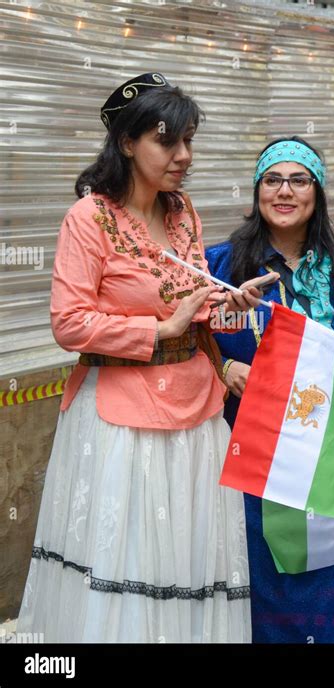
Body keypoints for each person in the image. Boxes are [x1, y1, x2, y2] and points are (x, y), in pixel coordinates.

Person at [15, 72, 264, 643]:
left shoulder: (184, 214)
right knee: (129, 559)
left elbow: (194, 311)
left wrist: (227, 305)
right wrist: (157, 329)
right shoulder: (89, 219)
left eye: (189, 141)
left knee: (189, 558)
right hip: (121, 420)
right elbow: (69, 322)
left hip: (198, 411)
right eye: (166, 141)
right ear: (127, 142)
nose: (184, 156)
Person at [205, 136, 334, 643]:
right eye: (272, 179)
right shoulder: (220, 266)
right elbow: (189, 346)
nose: (285, 191)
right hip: (254, 467)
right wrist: (223, 368)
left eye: (299, 180)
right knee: (265, 588)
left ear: (317, 193)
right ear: (257, 190)